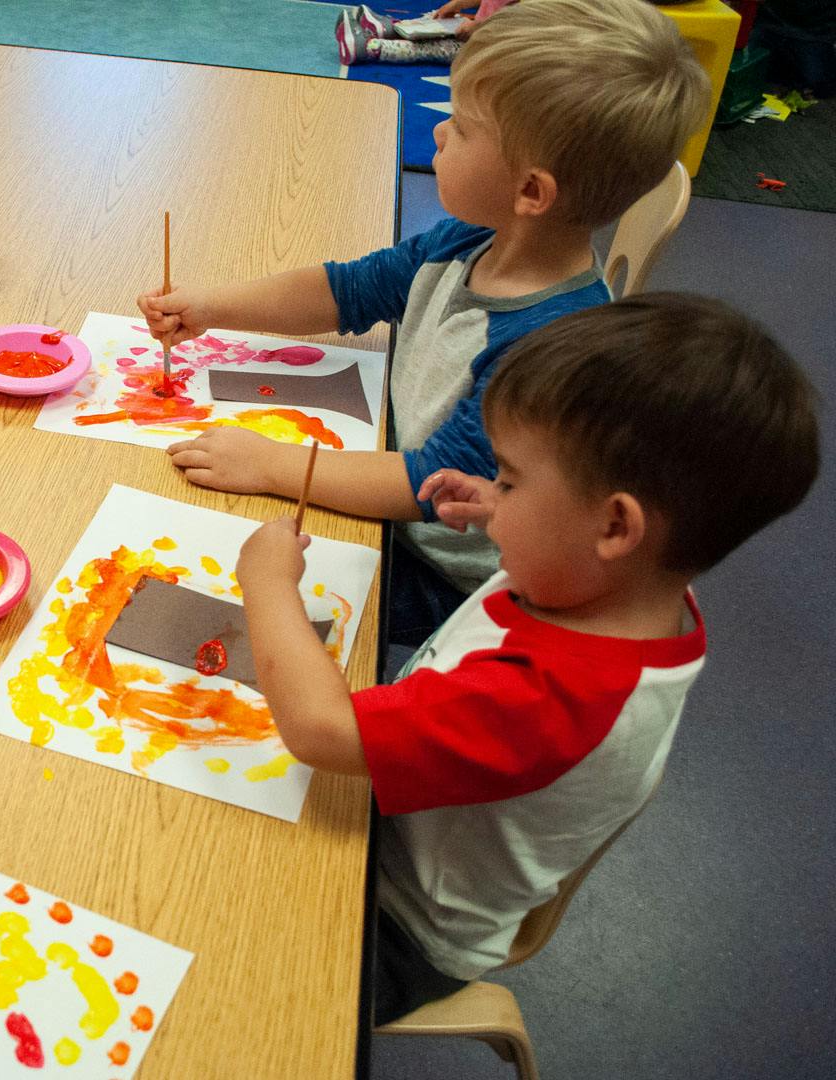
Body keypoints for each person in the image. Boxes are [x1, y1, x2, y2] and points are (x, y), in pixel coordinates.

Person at [232, 293, 820, 1024]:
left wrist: (263, 581)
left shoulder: (551, 697)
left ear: (613, 525)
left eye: (510, 476)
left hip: (394, 923)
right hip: (403, 814)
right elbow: (565, 547)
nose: (497, 491)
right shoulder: (626, 586)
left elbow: (321, 732)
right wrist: (498, 505)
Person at [138, 0, 710, 645]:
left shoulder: (547, 349)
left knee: (205, 588)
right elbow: (348, 289)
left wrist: (271, 465)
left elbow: (425, 485)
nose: (437, 134)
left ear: (531, 192)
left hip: (448, 584)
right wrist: (214, 308)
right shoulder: (472, 239)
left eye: (461, 128)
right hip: (389, 484)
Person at [336, 2, 514, 66]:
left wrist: (478, 26)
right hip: (482, 26)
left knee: (435, 47)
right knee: (441, 19)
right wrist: (459, 4)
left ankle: (369, 48)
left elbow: (522, 23)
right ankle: (394, 28)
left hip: (495, 47)